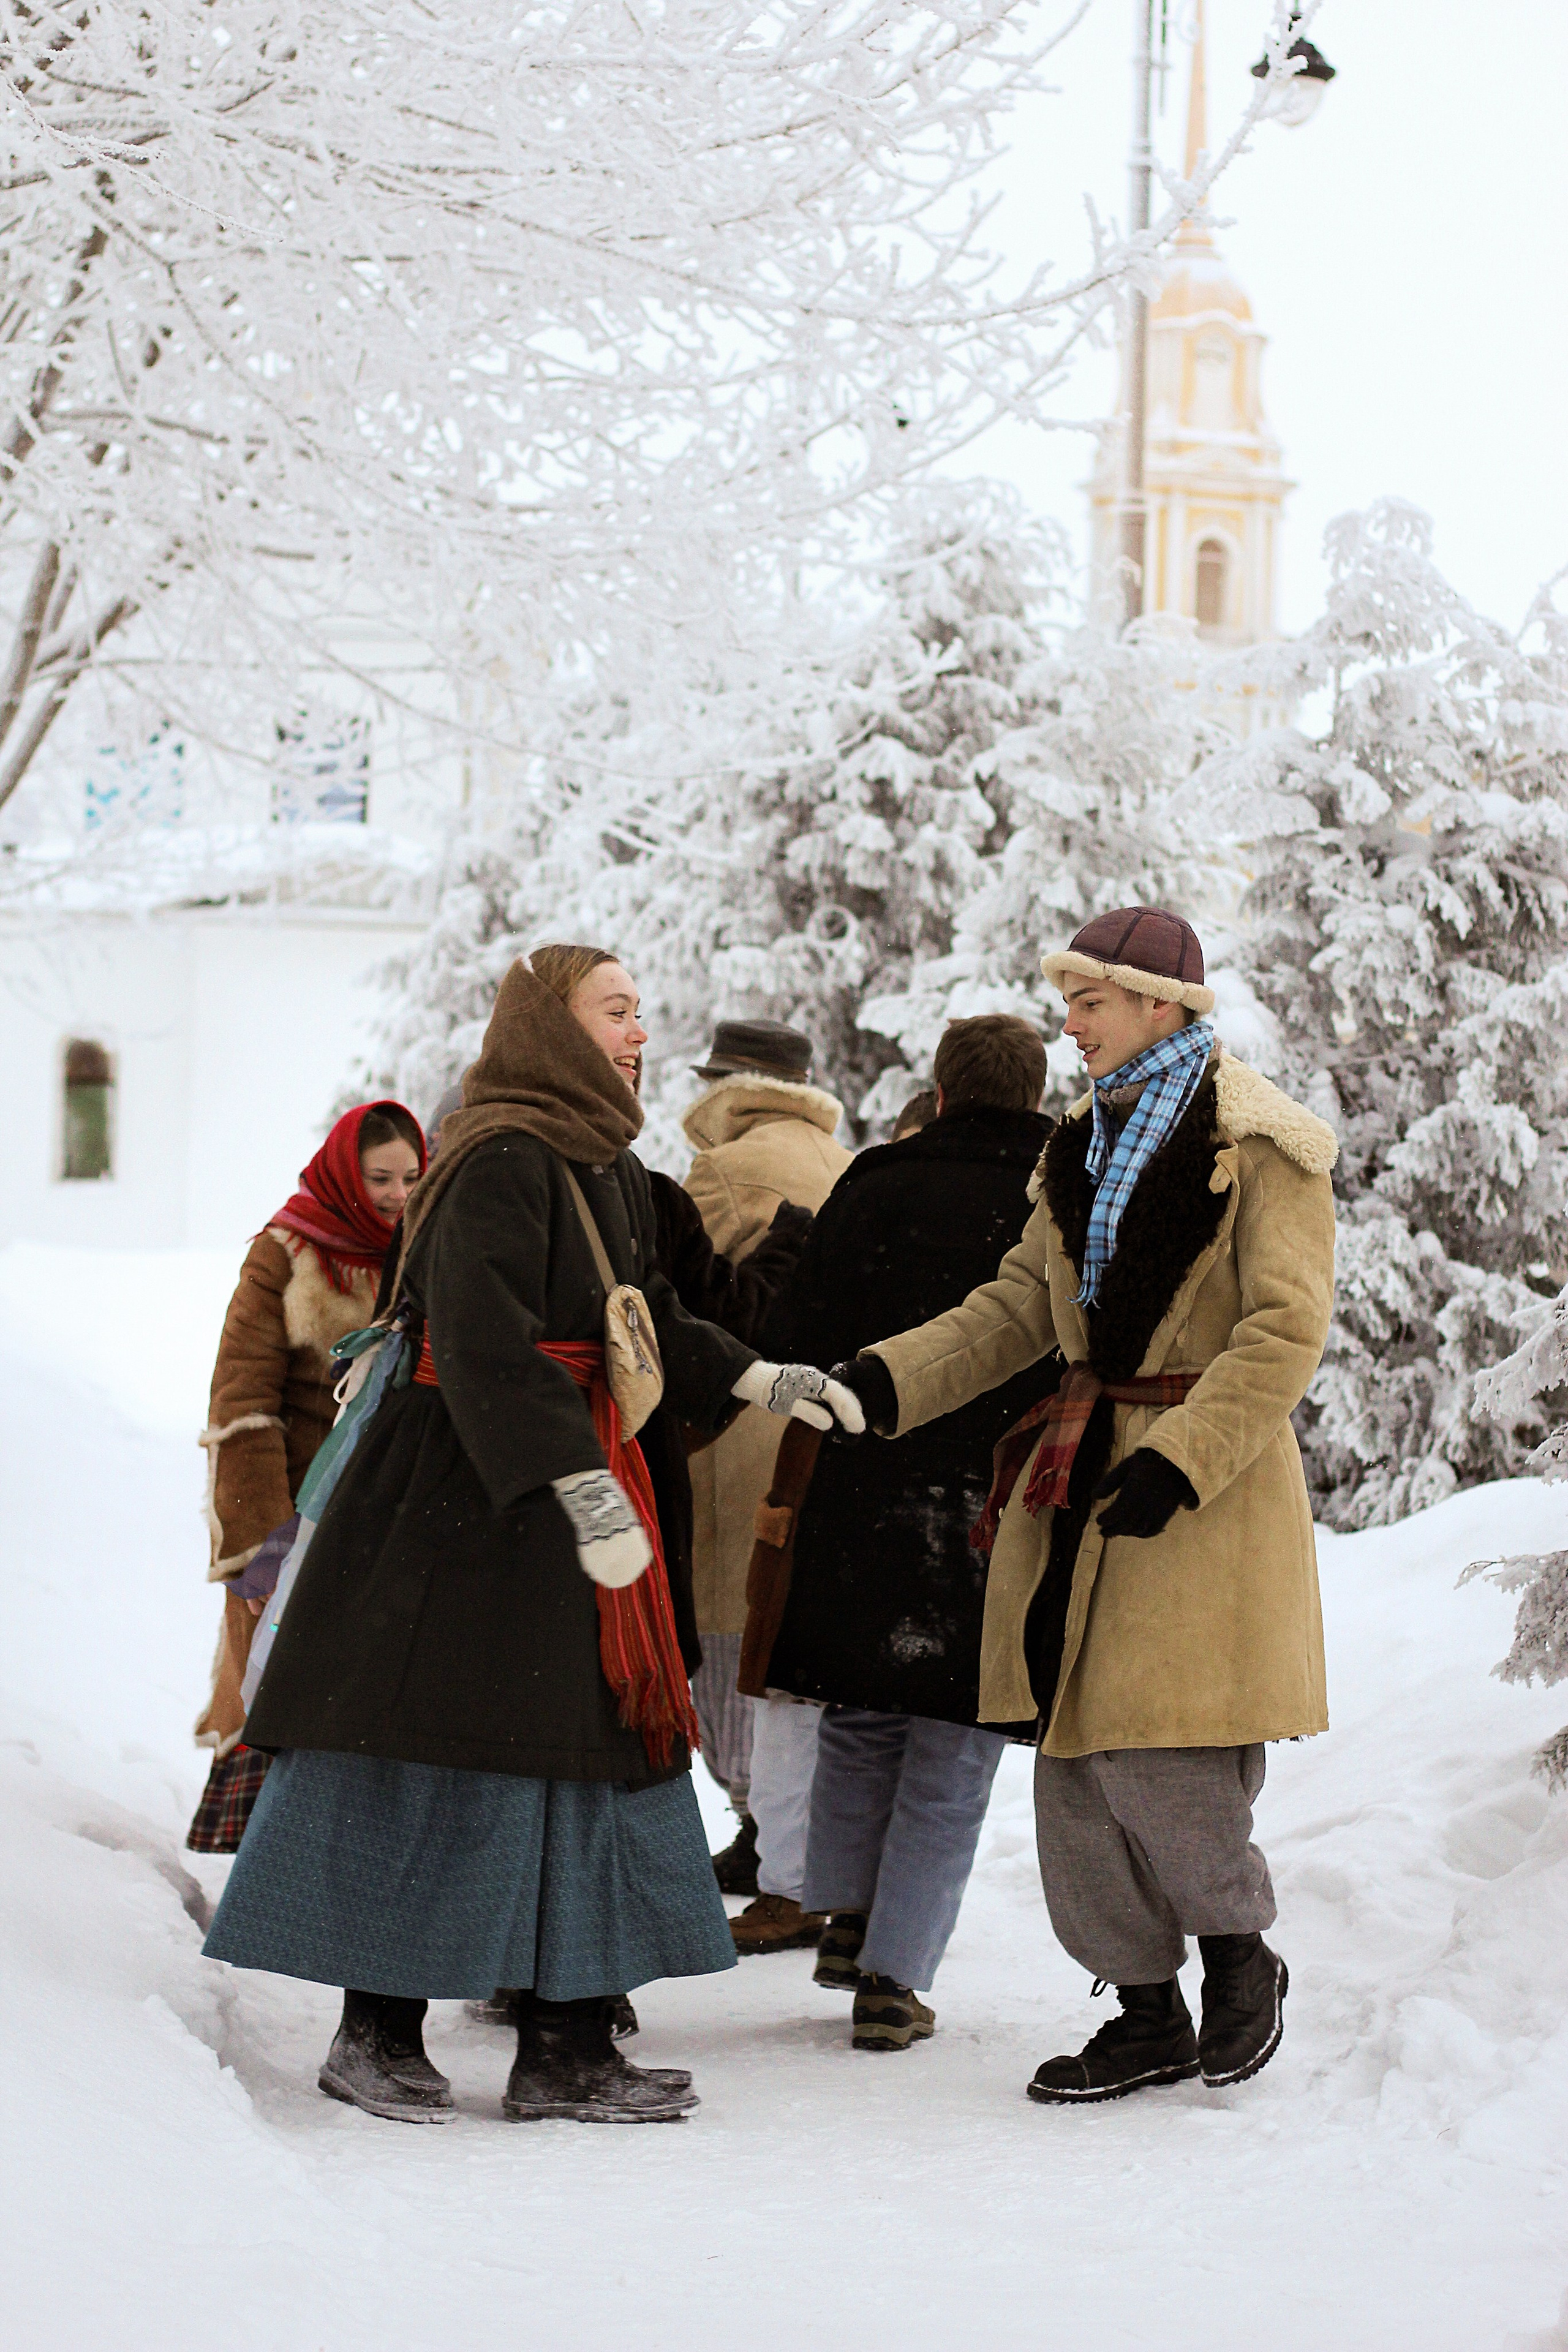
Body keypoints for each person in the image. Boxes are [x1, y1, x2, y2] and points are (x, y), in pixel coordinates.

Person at [202, 945, 862, 2127]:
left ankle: (565, 2049)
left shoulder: (598, 1162)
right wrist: (588, 1495)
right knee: (438, 1759)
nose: (640, 1032)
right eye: (617, 1009)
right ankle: (376, 2038)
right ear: (549, 1026)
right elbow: (488, 1346)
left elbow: (645, 1319)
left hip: (567, 1505)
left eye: (641, 1010)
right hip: (461, 1516)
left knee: (588, 1765)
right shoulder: (496, 1159)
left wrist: (762, 1376)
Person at [831, 908, 1336, 2103]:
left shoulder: (1262, 1147)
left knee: (1161, 1743)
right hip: (1075, 1478)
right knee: (1067, 1760)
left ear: (1160, 1006)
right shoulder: (1077, 1145)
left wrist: (1183, 1458)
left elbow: (1282, 1329)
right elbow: (1013, 1310)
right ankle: (1145, 2012)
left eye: (1091, 1001)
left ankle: (1235, 1954)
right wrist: (884, 1378)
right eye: (1068, 1001)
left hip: (1198, 1486)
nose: (1071, 1023)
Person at [751, 1016, 1052, 2052]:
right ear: (1039, 1087)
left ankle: (845, 1915)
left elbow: (795, 1333)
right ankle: (894, 1973)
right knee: (954, 1740)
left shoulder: (878, 1179)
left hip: (865, 1475)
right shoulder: (1061, 1189)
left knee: (865, 1708)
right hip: (996, 1494)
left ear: (941, 1084)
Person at [186, 1100, 426, 1853]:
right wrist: (263, 1539)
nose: (395, 1194)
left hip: (389, 1512)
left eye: (410, 1178)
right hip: (295, 1514)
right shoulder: (284, 1253)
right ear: (343, 1172)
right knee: (281, 1689)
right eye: (379, 1177)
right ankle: (272, 1868)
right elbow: (242, 1402)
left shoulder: (425, 1253)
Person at [682, 1017, 854, 1954]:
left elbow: (687, 1304)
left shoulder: (726, 1169)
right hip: (822, 1426)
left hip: (740, 1425)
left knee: (728, 1650)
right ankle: (787, 1847)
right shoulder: (840, 1157)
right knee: (788, 1659)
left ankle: (766, 1840)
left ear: (724, 1085)